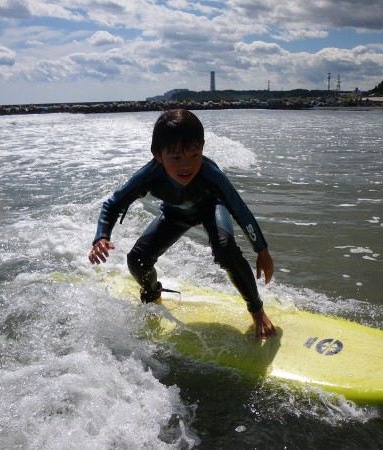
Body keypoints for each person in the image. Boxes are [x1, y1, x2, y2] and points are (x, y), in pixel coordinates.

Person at [88, 109, 276, 340]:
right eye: (176, 158)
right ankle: (152, 294)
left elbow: (240, 210)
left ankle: (257, 311)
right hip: (174, 213)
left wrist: (262, 250)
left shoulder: (211, 175)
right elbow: (112, 205)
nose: (186, 165)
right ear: (158, 154)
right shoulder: (150, 175)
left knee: (225, 251)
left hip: (211, 209)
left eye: (194, 155)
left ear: (202, 150)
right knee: (137, 260)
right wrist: (101, 237)